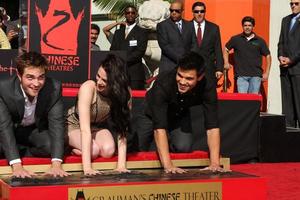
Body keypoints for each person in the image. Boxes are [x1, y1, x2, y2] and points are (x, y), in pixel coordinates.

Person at [143, 52, 222, 173]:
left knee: (183, 146)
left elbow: (212, 126)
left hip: (178, 113)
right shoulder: (164, 82)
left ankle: (165, 148)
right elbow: (159, 128)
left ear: (200, 77)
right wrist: (168, 166)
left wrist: (215, 163)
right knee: (140, 147)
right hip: (150, 113)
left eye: (189, 78)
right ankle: (162, 151)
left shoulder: (208, 85)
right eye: (180, 75)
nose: (183, 82)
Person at [0, 51, 68, 178]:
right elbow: (4, 127)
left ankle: (18, 150)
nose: (36, 84)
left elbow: (57, 125)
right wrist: (17, 166)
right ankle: (13, 151)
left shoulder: (54, 88)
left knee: (49, 146)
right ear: (19, 75)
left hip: (32, 131)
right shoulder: (4, 89)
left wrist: (56, 165)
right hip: (9, 129)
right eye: (30, 77)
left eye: (41, 77)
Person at [66, 54, 131, 175]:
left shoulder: (124, 93)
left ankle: (85, 149)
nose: (99, 82)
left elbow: (122, 130)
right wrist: (87, 168)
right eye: (98, 76)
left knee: (108, 150)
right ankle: (73, 149)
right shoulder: (88, 87)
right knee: (94, 150)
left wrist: (121, 166)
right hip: (74, 125)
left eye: (105, 80)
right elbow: (84, 130)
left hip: (96, 127)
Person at [224, 16, 271, 94]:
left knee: (253, 102)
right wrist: (226, 62)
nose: (247, 27)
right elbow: (226, 49)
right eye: (245, 25)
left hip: (256, 76)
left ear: (253, 26)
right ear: (242, 26)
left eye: (249, 25)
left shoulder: (260, 41)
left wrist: (267, 73)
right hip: (241, 76)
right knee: (243, 102)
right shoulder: (236, 39)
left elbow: (268, 56)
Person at [110, 5, 148, 90]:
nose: (130, 15)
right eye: (128, 13)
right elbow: (113, 49)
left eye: (132, 13)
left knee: (135, 101)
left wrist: (122, 59)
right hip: (119, 73)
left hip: (134, 74)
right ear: (125, 14)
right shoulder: (118, 32)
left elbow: (140, 52)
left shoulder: (142, 32)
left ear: (136, 14)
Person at [278, 0, 300, 127]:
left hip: (297, 69)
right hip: (285, 69)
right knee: (287, 105)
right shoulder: (285, 20)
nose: (293, 6)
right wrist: (280, 56)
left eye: (296, 3)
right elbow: (281, 42)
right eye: (291, 3)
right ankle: (289, 133)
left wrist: (291, 60)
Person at [157, 1, 196, 73]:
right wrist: (181, 59)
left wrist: (189, 60)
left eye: (177, 11)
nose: (174, 13)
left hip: (186, 67)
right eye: (171, 10)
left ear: (182, 11)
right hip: (169, 67)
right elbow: (165, 46)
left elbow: (194, 44)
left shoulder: (190, 25)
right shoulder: (162, 25)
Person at [190, 2, 223, 82]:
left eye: (202, 11)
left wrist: (219, 68)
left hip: (208, 68)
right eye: (196, 11)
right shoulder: (186, 26)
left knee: (208, 93)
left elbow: (217, 48)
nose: (199, 14)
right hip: (190, 68)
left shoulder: (214, 28)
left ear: (205, 12)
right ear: (193, 12)